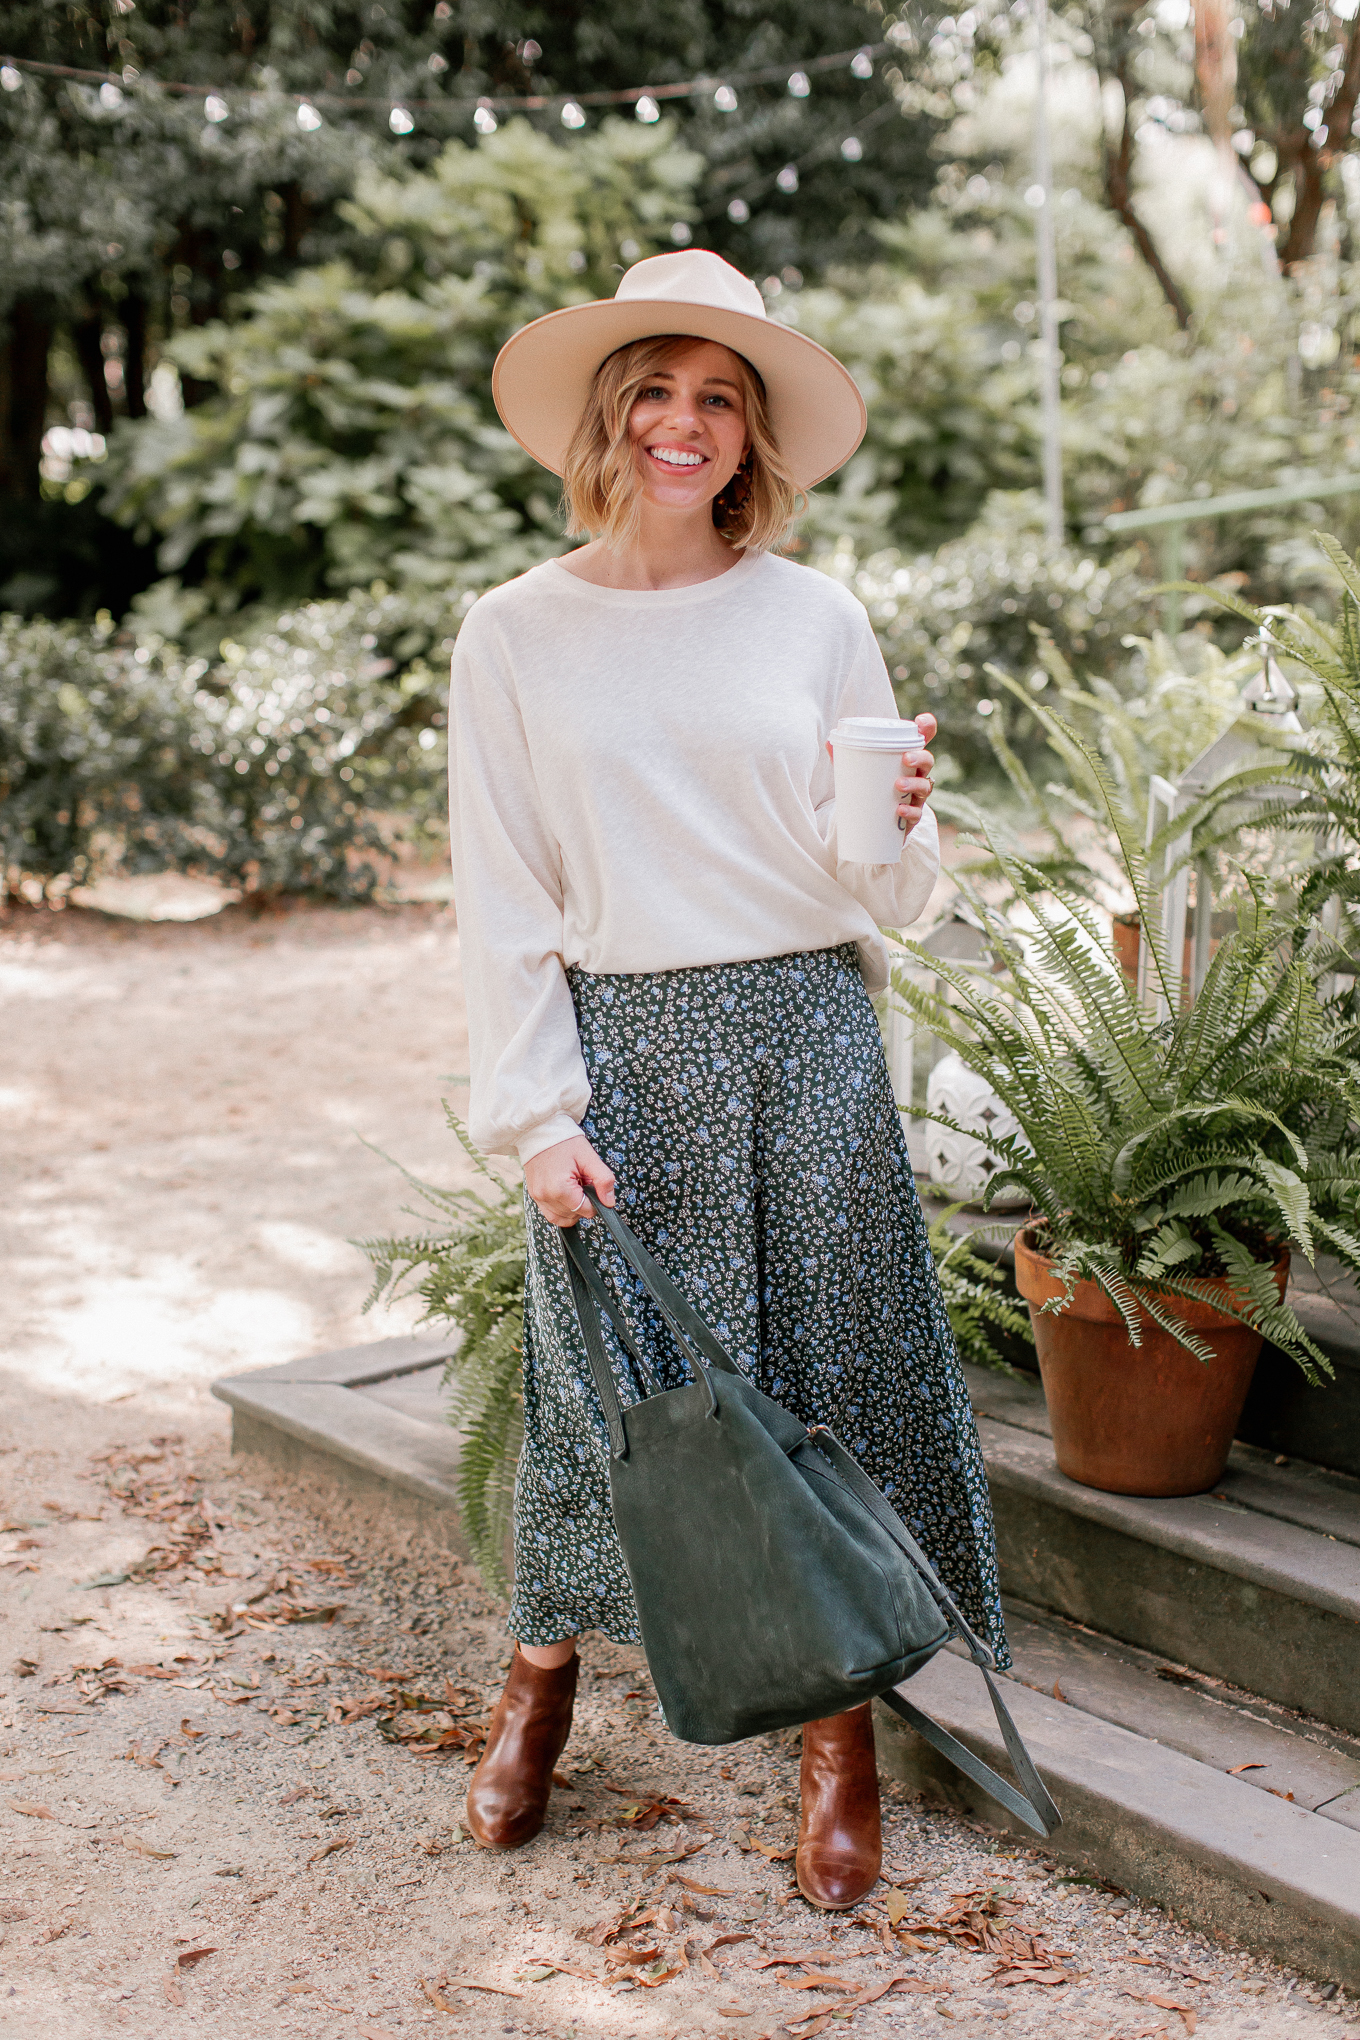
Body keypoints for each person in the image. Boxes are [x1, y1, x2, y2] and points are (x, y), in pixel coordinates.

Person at [447, 249, 1008, 1910]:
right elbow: (502, 890)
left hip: (809, 1039)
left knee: (821, 1378)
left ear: (749, 435)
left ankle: (840, 1737)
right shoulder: (514, 634)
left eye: (717, 397)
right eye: (656, 387)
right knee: (607, 1407)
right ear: (608, 416)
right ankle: (539, 1681)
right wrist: (535, 1113)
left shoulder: (817, 616)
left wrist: (914, 836)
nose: (682, 422)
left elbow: (890, 891)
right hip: (624, 1055)